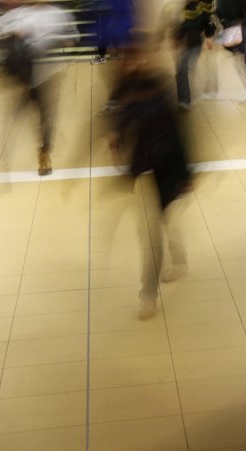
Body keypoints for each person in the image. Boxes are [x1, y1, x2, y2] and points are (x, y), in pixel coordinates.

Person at [108, 37, 192, 320]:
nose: (136, 62)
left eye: (140, 56)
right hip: (142, 171)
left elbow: (179, 134)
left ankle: (175, 262)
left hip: (167, 168)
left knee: (166, 218)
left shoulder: (159, 87)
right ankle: (149, 293)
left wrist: (186, 174)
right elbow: (119, 118)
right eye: (130, 58)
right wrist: (116, 135)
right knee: (150, 234)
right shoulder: (123, 88)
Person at [0, 0, 79, 176]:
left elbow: (73, 36)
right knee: (15, 115)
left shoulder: (58, 14)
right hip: (24, 77)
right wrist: (8, 37)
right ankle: (4, 156)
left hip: (46, 75)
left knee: (45, 117)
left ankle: (44, 153)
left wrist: (61, 39)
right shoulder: (18, 14)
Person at [175, 0, 215, 110]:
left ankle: (185, 100)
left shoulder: (201, 5)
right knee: (183, 69)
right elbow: (183, 24)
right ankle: (184, 98)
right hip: (188, 41)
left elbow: (207, 21)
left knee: (182, 69)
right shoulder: (189, 5)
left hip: (194, 42)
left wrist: (209, 36)